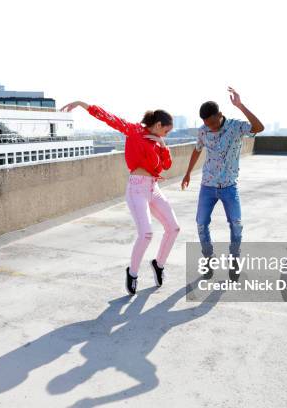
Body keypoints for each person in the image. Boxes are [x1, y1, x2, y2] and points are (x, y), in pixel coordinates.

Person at [60, 101, 180, 295]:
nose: (166, 135)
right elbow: (109, 118)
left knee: (174, 228)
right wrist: (82, 105)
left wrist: (163, 144)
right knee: (146, 234)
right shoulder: (133, 131)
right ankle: (132, 274)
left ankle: (159, 265)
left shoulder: (158, 142)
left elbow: (165, 166)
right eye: (166, 132)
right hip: (136, 189)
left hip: (153, 188)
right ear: (158, 125)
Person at [181, 87, 264, 280]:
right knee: (201, 224)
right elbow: (197, 150)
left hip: (229, 187)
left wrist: (240, 105)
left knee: (236, 225)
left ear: (220, 115)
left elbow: (259, 128)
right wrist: (187, 173)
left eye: (212, 123)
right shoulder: (203, 131)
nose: (211, 127)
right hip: (207, 186)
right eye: (206, 124)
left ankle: (234, 261)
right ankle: (208, 260)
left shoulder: (236, 127)